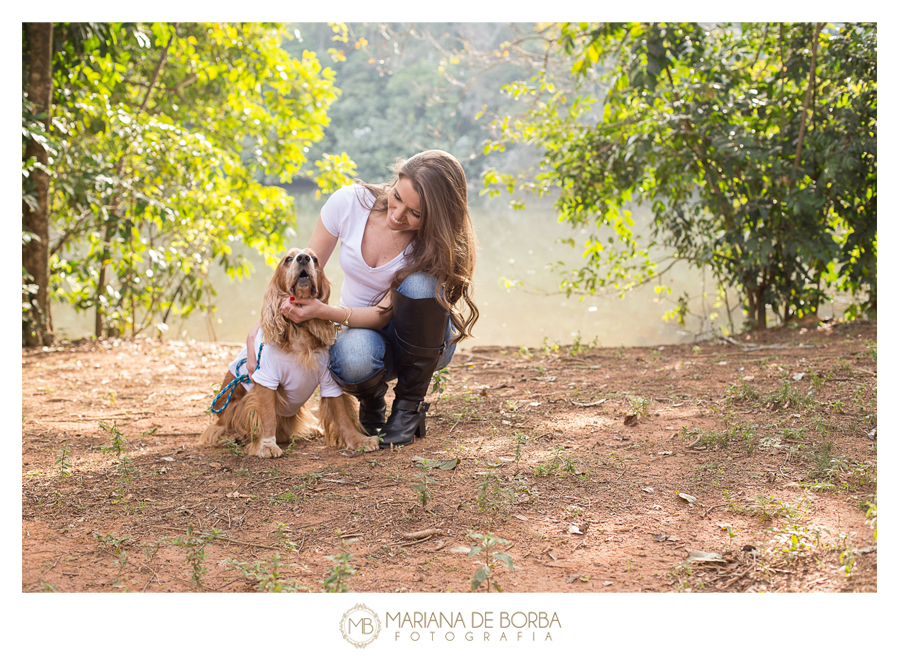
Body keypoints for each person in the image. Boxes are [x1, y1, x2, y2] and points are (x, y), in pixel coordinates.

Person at [247, 150, 478, 448]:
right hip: (362, 335)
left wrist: (325, 311)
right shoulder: (349, 203)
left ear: (436, 217)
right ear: (393, 181)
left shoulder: (433, 244)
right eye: (397, 197)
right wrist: (261, 327)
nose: (397, 215)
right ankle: (372, 402)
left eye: (415, 214)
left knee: (421, 285)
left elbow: (383, 315)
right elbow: (302, 268)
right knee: (353, 358)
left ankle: (408, 409)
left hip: (420, 342)